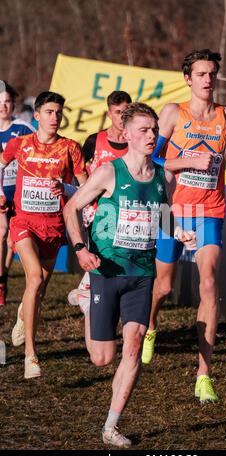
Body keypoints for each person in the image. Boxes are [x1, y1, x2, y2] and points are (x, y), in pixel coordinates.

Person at [63, 102, 195, 448]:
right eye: (144, 130)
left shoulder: (164, 177)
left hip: (142, 272)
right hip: (106, 270)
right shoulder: (109, 173)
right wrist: (80, 249)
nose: (151, 136)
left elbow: (164, 213)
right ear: (126, 135)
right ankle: (87, 302)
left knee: (134, 344)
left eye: (154, 130)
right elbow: (72, 207)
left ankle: (111, 426)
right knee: (102, 358)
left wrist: (178, 232)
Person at [141, 49, 226, 404]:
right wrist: (187, 159)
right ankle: (151, 326)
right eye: (201, 74)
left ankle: (204, 374)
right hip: (171, 210)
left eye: (212, 73)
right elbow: (153, 157)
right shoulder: (173, 113)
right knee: (164, 287)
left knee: (210, 283)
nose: (208, 79)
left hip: (211, 210)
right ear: (188, 78)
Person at [0, 91, 87, 379]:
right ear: (36, 115)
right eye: (49, 112)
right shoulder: (20, 144)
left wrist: (67, 190)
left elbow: (86, 188)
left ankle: (24, 313)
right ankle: (31, 357)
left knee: (39, 289)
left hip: (54, 226)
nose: (55, 117)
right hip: (24, 222)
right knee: (34, 278)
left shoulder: (70, 148)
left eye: (59, 113)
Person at [67, 90, 132, 315]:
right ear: (109, 113)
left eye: (126, 112)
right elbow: (81, 173)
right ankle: (92, 291)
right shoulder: (95, 141)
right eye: (117, 112)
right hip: (97, 210)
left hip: (127, 210)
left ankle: (89, 288)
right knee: (105, 252)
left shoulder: (136, 141)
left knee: (119, 256)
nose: (122, 117)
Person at [0, 81, 35, 305]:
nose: (3, 106)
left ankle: (2, 276)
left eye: (7, 102)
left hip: (20, 195)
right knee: (2, 231)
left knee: (12, 240)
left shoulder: (22, 127)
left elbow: (40, 145)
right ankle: (0, 280)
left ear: (13, 105)